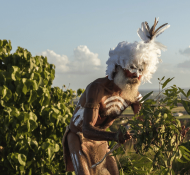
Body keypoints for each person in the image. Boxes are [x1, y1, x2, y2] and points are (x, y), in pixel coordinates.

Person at [62, 18, 169, 175]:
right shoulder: (97, 89)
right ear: (118, 66)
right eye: (132, 68)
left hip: (102, 140)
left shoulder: (133, 95)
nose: (136, 75)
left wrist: (167, 132)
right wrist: (114, 136)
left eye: (141, 70)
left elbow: (144, 121)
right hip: (79, 138)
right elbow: (86, 129)